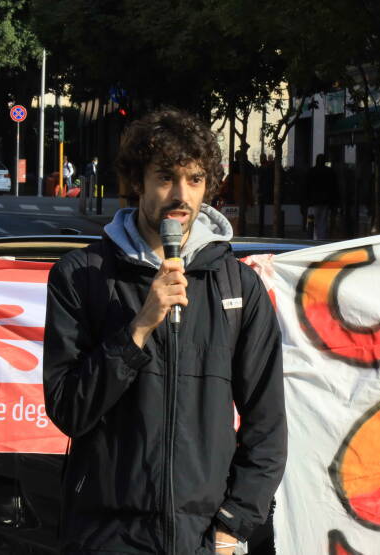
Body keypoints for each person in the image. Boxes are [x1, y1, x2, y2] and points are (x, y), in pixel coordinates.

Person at [44, 109, 286, 554]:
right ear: (137, 182)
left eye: (195, 180)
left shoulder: (237, 285)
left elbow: (267, 424)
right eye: (165, 178)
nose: (181, 195)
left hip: (203, 538)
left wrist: (235, 523)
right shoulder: (82, 275)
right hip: (105, 535)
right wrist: (139, 326)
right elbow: (68, 410)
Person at [305, 153, 338, 240]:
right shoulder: (330, 172)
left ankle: (315, 238)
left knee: (313, 221)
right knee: (323, 221)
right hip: (325, 201)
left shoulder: (312, 172)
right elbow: (334, 187)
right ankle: (321, 238)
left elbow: (307, 187)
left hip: (314, 201)